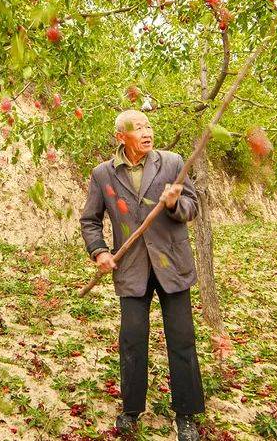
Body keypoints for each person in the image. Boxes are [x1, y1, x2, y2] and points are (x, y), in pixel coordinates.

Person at [80, 109, 205, 440]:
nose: (147, 132)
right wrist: (100, 251)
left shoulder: (173, 163)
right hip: (132, 268)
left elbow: (193, 208)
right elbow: (89, 220)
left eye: (149, 126)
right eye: (139, 128)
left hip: (172, 266)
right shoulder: (103, 174)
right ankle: (131, 409)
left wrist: (177, 203)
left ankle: (187, 414)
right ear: (122, 137)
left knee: (182, 340)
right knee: (132, 341)